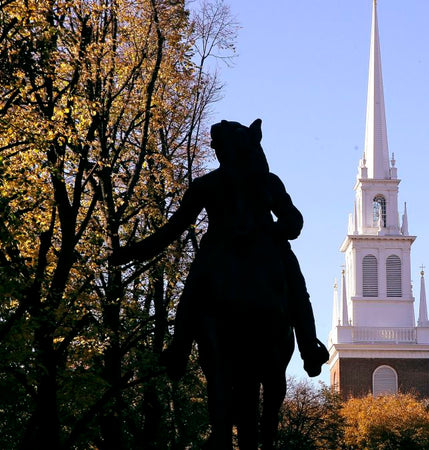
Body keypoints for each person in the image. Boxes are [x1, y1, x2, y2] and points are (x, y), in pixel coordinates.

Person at [111, 119, 328, 449]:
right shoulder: (240, 183)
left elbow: (293, 222)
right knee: (290, 283)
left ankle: (180, 349)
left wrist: (133, 251)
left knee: (205, 285)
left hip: (229, 253)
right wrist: (273, 231)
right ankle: (309, 348)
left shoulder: (239, 184)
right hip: (241, 253)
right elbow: (293, 224)